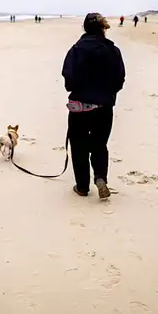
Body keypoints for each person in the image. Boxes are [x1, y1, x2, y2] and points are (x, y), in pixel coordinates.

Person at [62, 13, 126, 199]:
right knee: (99, 143)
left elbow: (69, 77)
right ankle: (100, 178)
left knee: (79, 144)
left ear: (85, 28)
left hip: (80, 105)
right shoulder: (113, 50)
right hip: (104, 106)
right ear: (103, 28)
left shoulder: (77, 49)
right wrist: (107, 94)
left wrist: (76, 88)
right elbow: (119, 79)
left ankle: (82, 186)